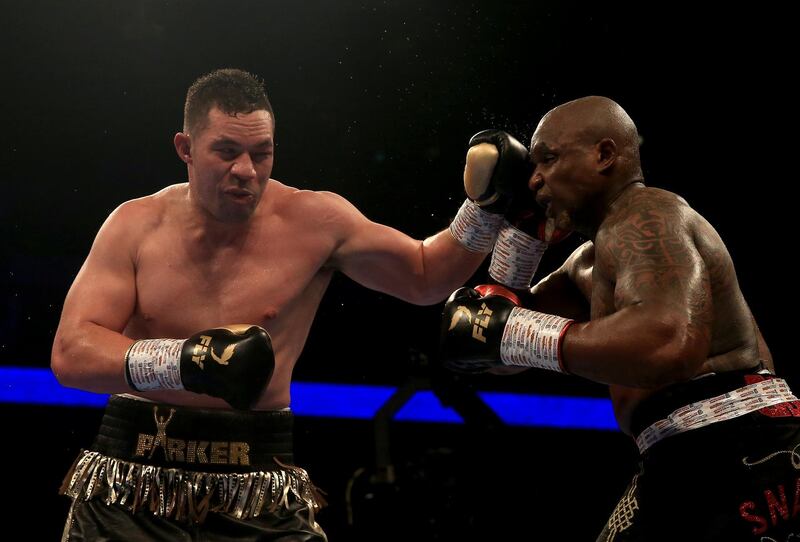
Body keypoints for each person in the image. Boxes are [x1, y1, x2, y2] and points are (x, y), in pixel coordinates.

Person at [51, 68, 530, 540]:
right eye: (226, 151)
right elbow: (72, 353)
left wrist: (484, 207)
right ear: (186, 149)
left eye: (262, 153)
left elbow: (425, 277)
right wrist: (183, 362)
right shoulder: (134, 225)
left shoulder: (315, 221)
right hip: (132, 488)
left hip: (258, 481)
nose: (246, 170)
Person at [440, 96, 800, 540]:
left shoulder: (647, 215)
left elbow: (667, 345)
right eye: (531, 166)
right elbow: (494, 346)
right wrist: (521, 229)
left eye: (548, 159)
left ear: (605, 155)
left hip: (733, 441)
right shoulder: (588, 261)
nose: (535, 178)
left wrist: (509, 332)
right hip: (693, 449)